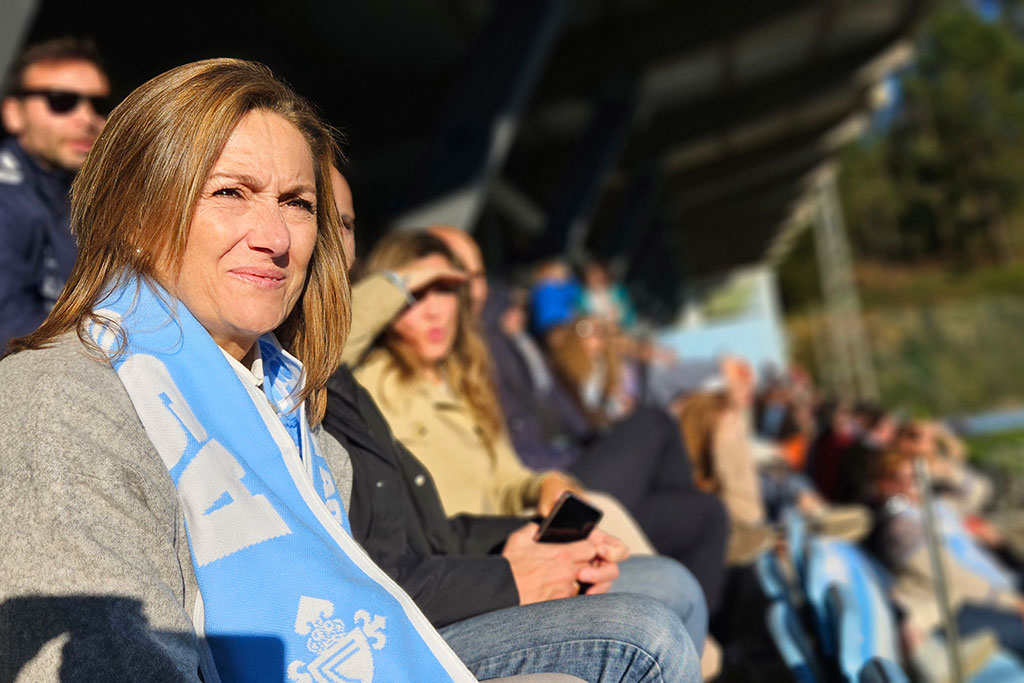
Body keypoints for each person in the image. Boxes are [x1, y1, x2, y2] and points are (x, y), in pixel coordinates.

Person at [0, 58, 687, 683]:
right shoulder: (60, 400)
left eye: (297, 204)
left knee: (647, 625)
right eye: (231, 192)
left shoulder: (301, 423)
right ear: (134, 215)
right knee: (641, 635)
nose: (275, 238)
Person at [322, 170, 708, 656]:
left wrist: (544, 484)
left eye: (446, 292)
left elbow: (507, 475)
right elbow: (328, 343)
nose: (434, 310)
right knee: (664, 600)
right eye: (418, 295)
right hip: (460, 572)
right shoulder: (369, 378)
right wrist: (401, 280)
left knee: (674, 579)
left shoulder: (464, 380)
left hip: (509, 539)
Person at [431, 225, 730, 614]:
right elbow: (518, 452)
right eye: (454, 275)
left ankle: (704, 629)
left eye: (478, 275)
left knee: (706, 513)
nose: (472, 288)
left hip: (563, 473)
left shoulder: (516, 341)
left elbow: (565, 417)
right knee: (654, 422)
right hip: (543, 490)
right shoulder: (470, 344)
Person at [0, 37, 110, 350]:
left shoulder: (87, 197)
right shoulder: (7, 200)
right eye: (61, 101)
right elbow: (9, 328)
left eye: (99, 105)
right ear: (14, 113)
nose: (87, 119)